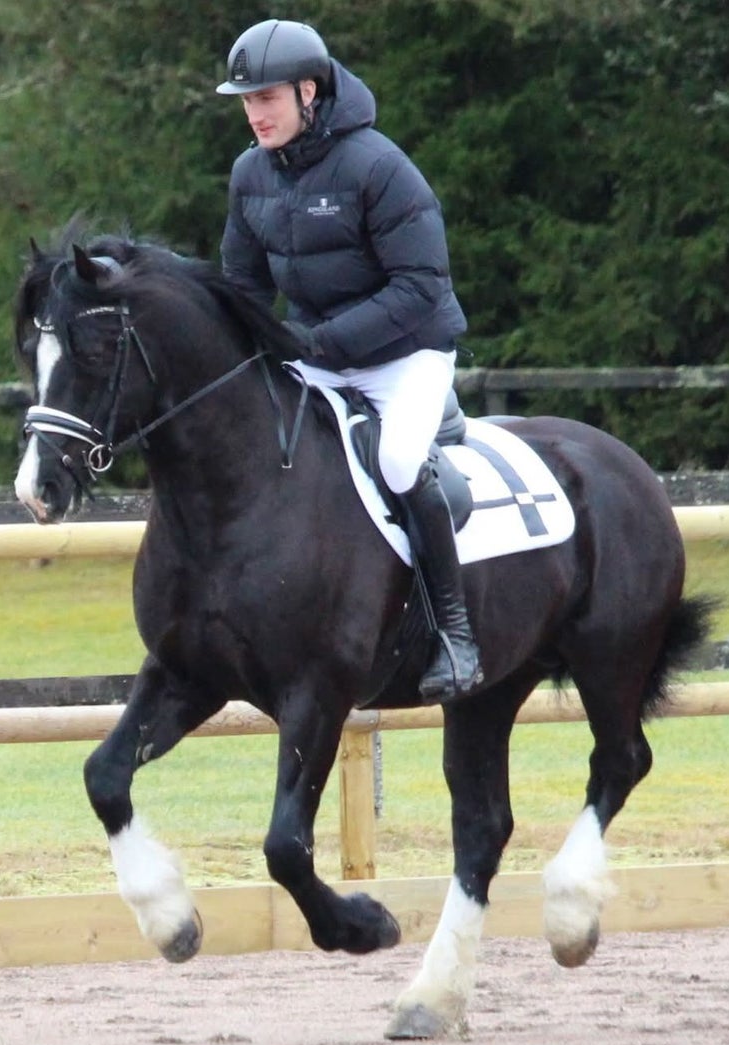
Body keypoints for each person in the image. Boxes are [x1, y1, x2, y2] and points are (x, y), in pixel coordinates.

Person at [215, 18, 483, 702]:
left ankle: (455, 632)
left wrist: (320, 342)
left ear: (309, 91)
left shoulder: (379, 166)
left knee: (397, 461)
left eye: (267, 98)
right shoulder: (250, 174)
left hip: (408, 353)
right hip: (318, 354)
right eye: (247, 101)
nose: (255, 114)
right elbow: (244, 289)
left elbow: (421, 287)